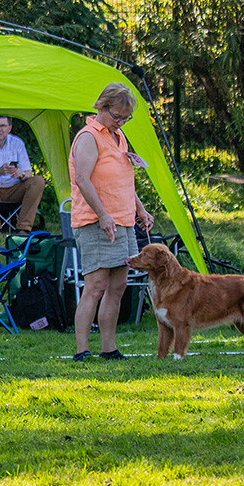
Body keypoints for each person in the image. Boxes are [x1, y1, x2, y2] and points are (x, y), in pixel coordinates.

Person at [69, 82, 154, 362]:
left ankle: (109, 348)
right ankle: (82, 350)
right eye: (117, 116)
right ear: (101, 107)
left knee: (118, 287)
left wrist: (140, 210)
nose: (120, 122)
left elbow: (123, 179)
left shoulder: (119, 137)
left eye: (125, 118)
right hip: (96, 221)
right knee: (95, 286)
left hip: (124, 221)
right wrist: (103, 215)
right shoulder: (88, 137)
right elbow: (82, 179)